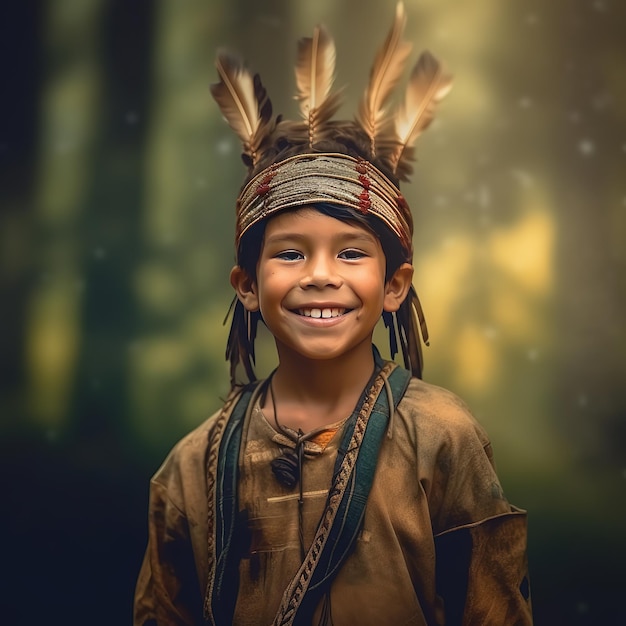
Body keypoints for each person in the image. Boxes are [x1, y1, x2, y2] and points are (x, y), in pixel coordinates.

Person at [134, 3, 532, 624]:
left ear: (395, 284)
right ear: (245, 285)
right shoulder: (192, 467)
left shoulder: (442, 438)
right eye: (290, 253)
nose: (320, 274)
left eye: (351, 253)